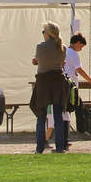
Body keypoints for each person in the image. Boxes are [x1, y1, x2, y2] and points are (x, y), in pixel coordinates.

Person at [31, 21, 68, 154]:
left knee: (41, 116)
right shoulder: (62, 47)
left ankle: (39, 148)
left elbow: (39, 61)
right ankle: (60, 147)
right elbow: (60, 62)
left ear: (48, 34)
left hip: (44, 82)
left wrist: (37, 61)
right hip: (58, 81)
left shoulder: (40, 47)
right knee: (58, 116)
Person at [64, 33, 91, 135]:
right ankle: (82, 131)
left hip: (65, 84)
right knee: (79, 108)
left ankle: (67, 132)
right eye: (81, 46)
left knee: (68, 109)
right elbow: (79, 69)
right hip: (71, 86)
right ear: (78, 43)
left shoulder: (64, 51)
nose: (81, 49)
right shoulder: (73, 53)